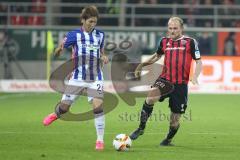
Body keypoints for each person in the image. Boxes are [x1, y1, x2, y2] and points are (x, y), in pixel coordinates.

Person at [42, 5, 108, 150]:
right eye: (90, 21)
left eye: (95, 22)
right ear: (83, 20)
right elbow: (62, 45)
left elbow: (101, 51)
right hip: (77, 77)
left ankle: (100, 140)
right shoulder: (74, 35)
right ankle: (55, 114)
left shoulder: (100, 35)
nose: (93, 24)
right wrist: (59, 50)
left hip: (95, 76)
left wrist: (104, 56)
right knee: (65, 108)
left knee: (98, 107)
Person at [129, 16, 202, 146]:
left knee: (174, 121)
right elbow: (157, 56)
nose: (172, 31)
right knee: (151, 97)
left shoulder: (190, 42)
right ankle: (141, 128)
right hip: (165, 80)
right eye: (170, 28)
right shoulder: (164, 41)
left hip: (180, 85)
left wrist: (195, 75)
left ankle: (168, 139)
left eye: (175, 28)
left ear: (181, 29)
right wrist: (142, 65)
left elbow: (199, 61)